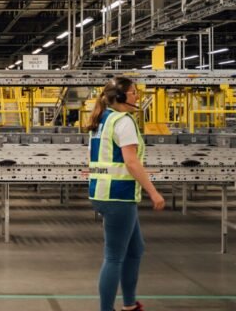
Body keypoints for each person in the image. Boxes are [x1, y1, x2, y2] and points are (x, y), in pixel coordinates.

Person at [87, 77, 166, 311]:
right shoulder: (124, 121)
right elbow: (131, 162)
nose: (137, 97)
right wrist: (153, 192)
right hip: (118, 195)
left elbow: (116, 160)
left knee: (135, 249)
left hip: (104, 192)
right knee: (114, 257)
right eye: (133, 93)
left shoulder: (104, 119)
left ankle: (130, 304)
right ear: (121, 97)